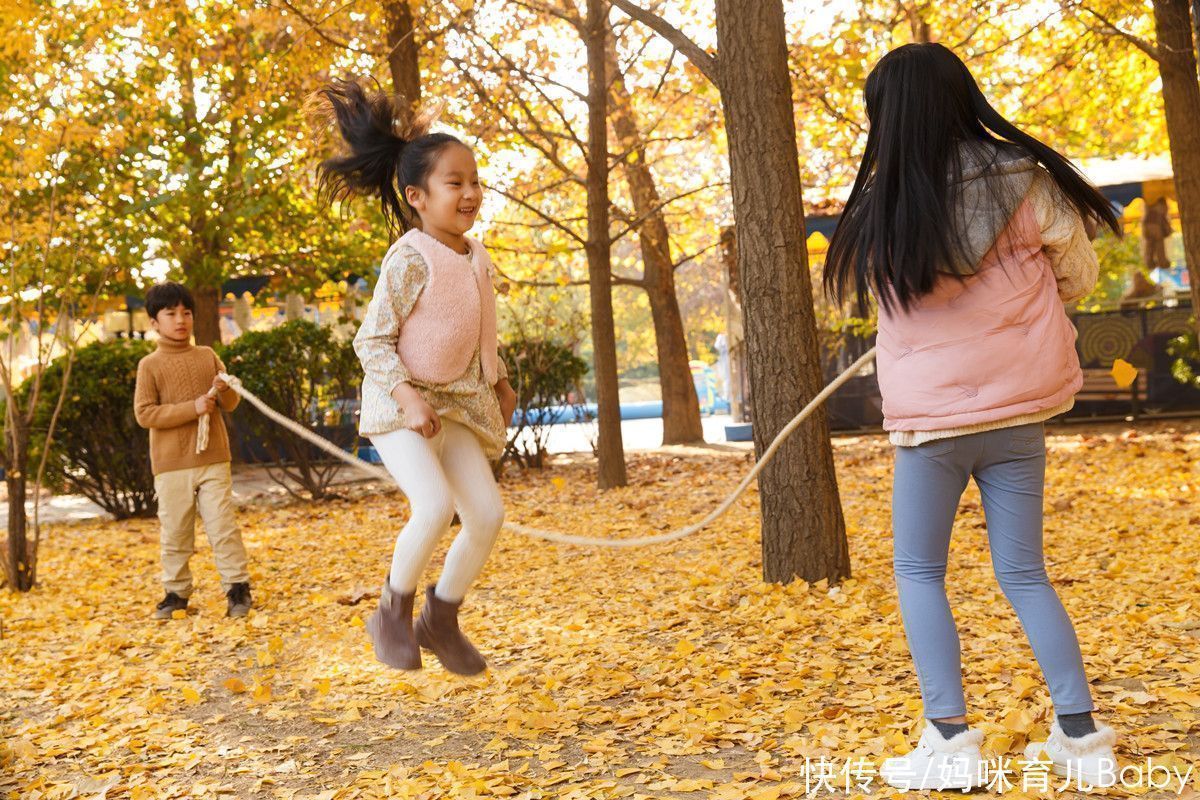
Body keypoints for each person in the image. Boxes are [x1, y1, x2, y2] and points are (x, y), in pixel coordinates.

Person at [824, 43, 1122, 791]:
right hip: (1020, 415)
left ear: (885, 118)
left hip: (931, 431)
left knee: (920, 572)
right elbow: (1078, 273)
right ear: (965, 97)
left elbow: (859, 299)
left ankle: (950, 741)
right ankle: (1082, 741)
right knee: (1024, 572)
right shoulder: (1027, 180)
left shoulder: (881, 206)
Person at [311, 78, 518, 676]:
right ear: (417, 196)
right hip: (399, 403)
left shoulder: (476, 254)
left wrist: (498, 382)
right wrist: (407, 398)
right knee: (432, 506)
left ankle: (440, 618)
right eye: (455, 182)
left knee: (486, 514)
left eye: (475, 180)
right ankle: (391, 612)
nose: (471, 191)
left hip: (453, 403)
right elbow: (370, 340)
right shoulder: (408, 257)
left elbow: (478, 328)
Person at [134, 282, 252, 619]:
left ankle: (237, 588)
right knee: (175, 531)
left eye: (186, 312)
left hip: (213, 457)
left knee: (223, 525)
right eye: (170, 314)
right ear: (155, 323)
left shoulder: (207, 356)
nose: (180, 320)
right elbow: (145, 414)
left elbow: (229, 403)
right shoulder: (150, 365)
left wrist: (224, 388)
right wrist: (193, 407)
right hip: (171, 465)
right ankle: (176, 593)